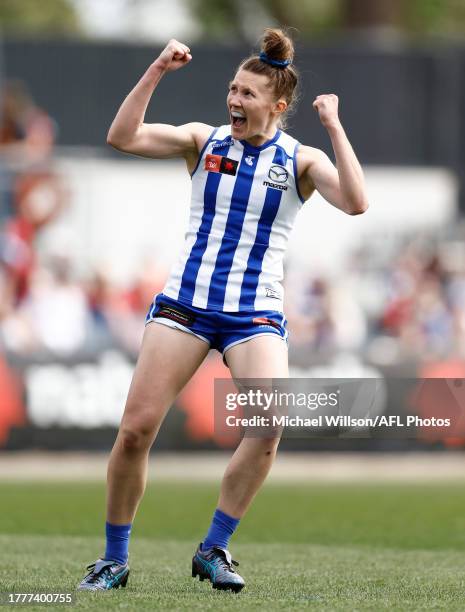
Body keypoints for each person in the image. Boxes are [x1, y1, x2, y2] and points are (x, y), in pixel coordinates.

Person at [78, 28, 368, 593]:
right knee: (136, 431)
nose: (234, 101)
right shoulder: (202, 141)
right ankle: (113, 558)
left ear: (278, 106)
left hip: (252, 313)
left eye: (247, 95)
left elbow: (357, 202)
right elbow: (122, 136)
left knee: (267, 428)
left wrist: (333, 125)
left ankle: (213, 548)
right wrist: (158, 68)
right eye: (232, 89)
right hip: (186, 305)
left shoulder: (300, 162)